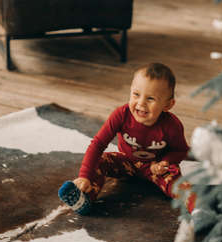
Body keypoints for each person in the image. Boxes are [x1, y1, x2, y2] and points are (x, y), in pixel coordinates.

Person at [58, 62, 196, 215]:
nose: (141, 103)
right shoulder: (121, 115)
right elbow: (98, 144)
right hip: (126, 163)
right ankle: (85, 198)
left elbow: (181, 149)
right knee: (102, 160)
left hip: (155, 168)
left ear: (168, 105)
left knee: (176, 180)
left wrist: (166, 162)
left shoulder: (171, 125)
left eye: (150, 98)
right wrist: (84, 176)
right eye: (136, 94)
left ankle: (197, 208)